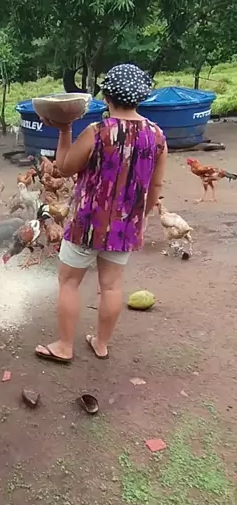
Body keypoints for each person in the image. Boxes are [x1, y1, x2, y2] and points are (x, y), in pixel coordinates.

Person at [35, 63, 167, 363]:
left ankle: (64, 346)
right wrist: (141, 217)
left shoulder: (97, 132)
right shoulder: (157, 135)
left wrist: (64, 129)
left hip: (87, 223)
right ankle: (102, 344)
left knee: (69, 282)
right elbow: (156, 185)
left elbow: (63, 168)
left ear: (106, 96)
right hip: (125, 226)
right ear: (141, 97)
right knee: (111, 286)